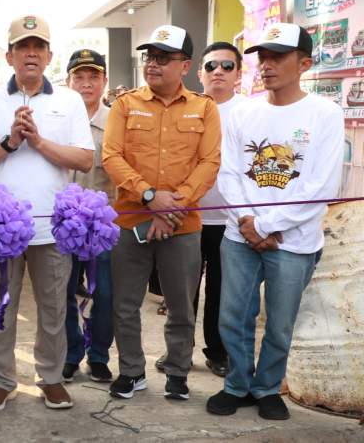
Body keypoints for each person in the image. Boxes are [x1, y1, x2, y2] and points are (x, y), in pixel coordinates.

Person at [207, 23, 344, 421]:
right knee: (233, 316)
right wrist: (249, 221)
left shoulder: (325, 114)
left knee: (280, 324)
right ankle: (237, 384)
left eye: (277, 57)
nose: (266, 65)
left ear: (304, 63)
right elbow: (228, 173)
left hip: (295, 239)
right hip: (240, 235)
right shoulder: (244, 112)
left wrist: (267, 225)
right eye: (262, 57)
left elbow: (323, 184)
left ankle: (267, 388)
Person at [0, 15, 94, 411]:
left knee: (55, 307)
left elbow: (85, 159)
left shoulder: (68, 100)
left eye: (38, 47)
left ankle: (51, 377)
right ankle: (1, 379)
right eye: (23, 47)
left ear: (49, 55)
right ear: (9, 56)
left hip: (52, 227)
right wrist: (9, 141)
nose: (31, 53)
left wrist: (37, 141)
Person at [102, 24, 221, 402]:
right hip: (130, 221)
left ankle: (177, 373)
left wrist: (173, 205)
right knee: (125, 304)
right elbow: (111, 156)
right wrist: (150, 196)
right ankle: (132, 372)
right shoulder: (125, 105)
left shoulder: (204, 108)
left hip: (183, 225)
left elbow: (209, 162)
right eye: (149, 57)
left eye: (163, 58)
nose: (152, 64)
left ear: (185, 65)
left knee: (181, 307)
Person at [190, 42, 244, 377]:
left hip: (230, 221)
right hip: (188, 217)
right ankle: (178, 354)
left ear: (238, 73)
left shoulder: (250, 112)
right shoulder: (187, 108)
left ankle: (218, 352)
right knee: (182, 292)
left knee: (222, 292)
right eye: (211, 66)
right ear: (200, 73)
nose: (218, 72)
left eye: (227, 66)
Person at [61, 49, 115, 384]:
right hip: (64, 224)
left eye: (93, 76)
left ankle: (99, 355)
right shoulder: (58, 121)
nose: (86, 83)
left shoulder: (118, 121)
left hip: (104, 225)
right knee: (64, 291)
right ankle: (70, 353)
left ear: (104, 80)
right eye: (78, 76)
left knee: (105, 292)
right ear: (67, 82)